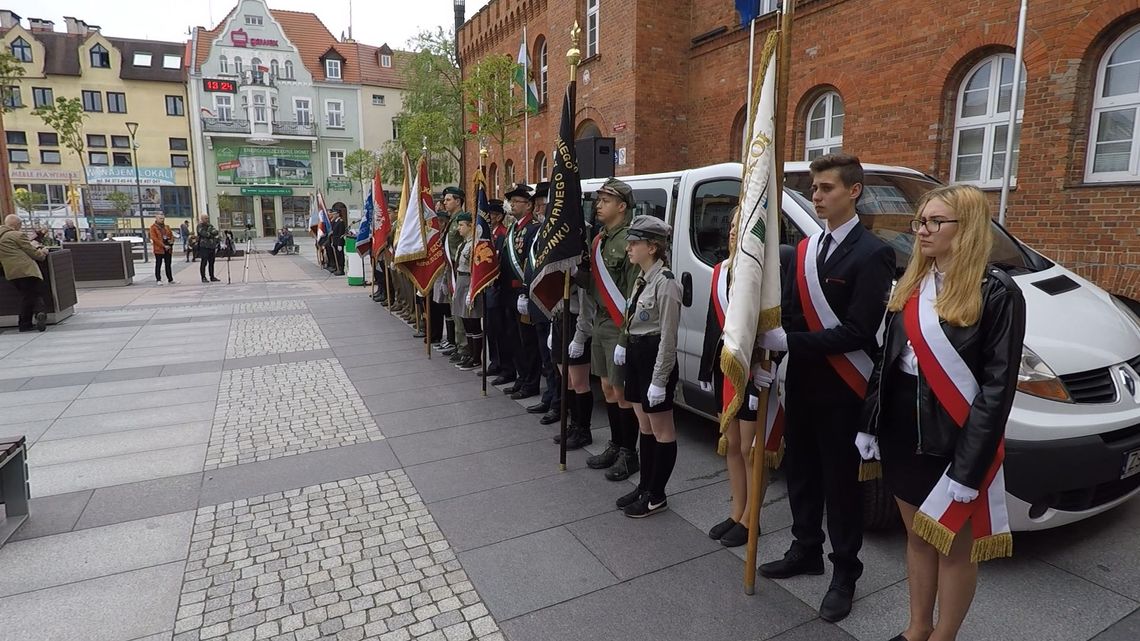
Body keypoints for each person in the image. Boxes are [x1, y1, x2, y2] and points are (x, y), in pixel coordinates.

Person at [858, 185, 1025, 641]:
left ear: (966, 228)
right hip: (900, 431)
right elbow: (886, 361)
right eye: (920, 222)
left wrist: (969, 469)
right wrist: (870, 423)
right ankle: (917, 627)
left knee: (952, 546)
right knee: (917, 537)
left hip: (953, 436)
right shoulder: (912, 281)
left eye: (935, 222)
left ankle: (944, 635)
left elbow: (996, 390)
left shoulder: (997, 292)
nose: (922, 231)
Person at [755, 153, 896, 622]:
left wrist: (790, 339)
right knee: (802, 475)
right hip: (802, 386)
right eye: (813, 188)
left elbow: (859, 330)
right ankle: (806, 549)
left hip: (843, 391)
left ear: (853, 191)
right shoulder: (809, 248)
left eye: (826, 188)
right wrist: (770, 352)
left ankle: (845, 573)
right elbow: (794, 312)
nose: (816, 196)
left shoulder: (873, 253)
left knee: (841, 488)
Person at [699, 215, 765, 547]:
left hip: (755, 372)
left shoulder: (764, 273)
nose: (733, 231)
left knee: (751, 450)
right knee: (732, 446)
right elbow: (715, 325)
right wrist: (704, 372)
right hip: (726, 369)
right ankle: (737, 511)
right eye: (731, 226)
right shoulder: (720, 270)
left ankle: (752, 518)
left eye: (742, 225)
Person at [612, 216, 682, 517]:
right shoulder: (642, 279)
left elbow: (668, 337)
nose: (628, 247)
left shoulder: (666, 284)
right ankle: (644, 486)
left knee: (662, 430)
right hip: (638, 355)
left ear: (652, 247)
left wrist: (660, 379)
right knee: (645, 426)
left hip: (655, 356)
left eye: (635, 242)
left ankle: (657, 494)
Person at [576, 178, 642, 481]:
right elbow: (595, 287)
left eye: (605, 200)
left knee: (622, 392)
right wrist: (578, 274)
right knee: (607, 388)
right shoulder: (599, 239)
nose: (598, 205)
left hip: (619, 325)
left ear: (621, 206)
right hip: (601, 321)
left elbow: (632, 295)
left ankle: (629, 453)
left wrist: (625, 338)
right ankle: (616, 444)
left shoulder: (630, 241)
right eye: (599, 199)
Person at [524, 183, 562, 423]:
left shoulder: (557, 231)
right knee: (544, 354)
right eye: (537, 203)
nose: (539, 207)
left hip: (554, 303)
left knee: (554, 358)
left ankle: (558, 404)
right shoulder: (538, 230)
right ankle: (549, 396)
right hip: (538, 301)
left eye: (543, 203)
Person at [504, 183, 541, 400]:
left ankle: (531, 382)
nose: (512, 205)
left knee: (528, 341)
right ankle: (522, 376)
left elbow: (531, 263)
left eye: (516, 201)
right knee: (514, 339)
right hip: (509, 294)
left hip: (523, 294)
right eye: (512, 201)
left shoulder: (533, 229)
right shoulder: (514, 228)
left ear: (528, 205)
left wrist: (526, 293)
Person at [0, 214, 48, 332]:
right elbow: (34, 253)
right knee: (34, 294)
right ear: (17, 225)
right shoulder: (17, 235)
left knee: (27, 296)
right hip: (26, 270)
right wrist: (43, 252)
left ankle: (26, 323)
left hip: (10, 272)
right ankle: (38, 314)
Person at [451, 212, 486, 372]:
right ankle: (470, 354)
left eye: (462, 225)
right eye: (458, 225)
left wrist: (473, 289)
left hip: (469, 282)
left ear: (471, 226)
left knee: (472, 321)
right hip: (461, 280)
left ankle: (476, 357)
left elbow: (476, 268)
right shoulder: (463, 244)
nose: (459, 228)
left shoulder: (475, 244)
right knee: (465, 320)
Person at [149, 213, 177, 284]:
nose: (162, 220)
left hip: (168, 249)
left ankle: (170, 279)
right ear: (156, 218)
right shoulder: (153, 227)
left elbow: (171, 235)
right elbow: (154, 238)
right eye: (160, 218)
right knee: (158, 264)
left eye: (163, 218)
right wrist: (163, 245)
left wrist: (171, 241)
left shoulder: (167, 227)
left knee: (168, 264)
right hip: (159, 249)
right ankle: (158, 279)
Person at [196, 214, 221, 283]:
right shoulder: (199, 226)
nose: (207, 220)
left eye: (207, 218)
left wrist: (211, 233)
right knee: (204, 262)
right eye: (206, 218)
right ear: (202, 219)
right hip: (204, 246)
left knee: (212, 262)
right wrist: (210, 234)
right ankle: (203, 277)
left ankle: (212, 276)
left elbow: (216, 232)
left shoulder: (210, 225)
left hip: (211, 246)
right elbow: (204, 234)